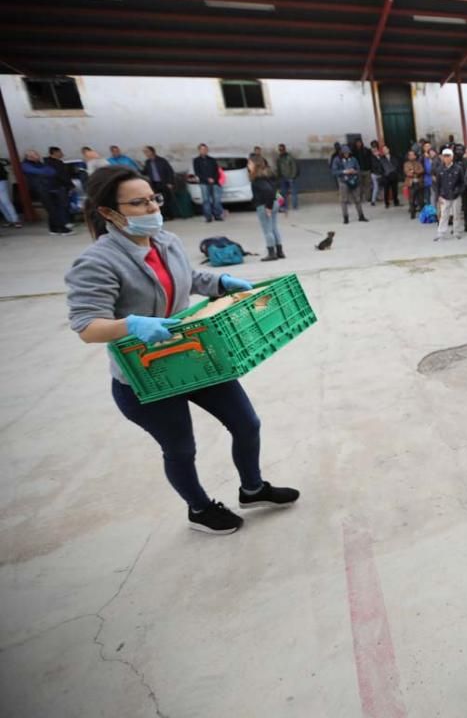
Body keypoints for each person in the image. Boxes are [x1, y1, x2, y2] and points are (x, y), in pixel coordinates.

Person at [64, 166, 300, 535]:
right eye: (138, 203)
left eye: (153, 199)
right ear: (110, 213)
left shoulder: (166, 241)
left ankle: (252, 489)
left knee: (246, 423)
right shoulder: (97, 262)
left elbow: (190, 278)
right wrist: (132, 325)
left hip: (192, 355)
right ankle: (200, 509)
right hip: (146, 374)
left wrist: (221, 281)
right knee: (181, 448)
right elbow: (86, 325)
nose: (151, 208)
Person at [22, 150, 72, 236]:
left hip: (51, 188)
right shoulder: (25, 165)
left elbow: (52, 171)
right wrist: (44, 171)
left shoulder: (41, 163)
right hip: (41, 189)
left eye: (37, 153)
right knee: (52, 209)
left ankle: (53, 228)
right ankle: (62, 228)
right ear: (29, 157)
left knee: (56, 207)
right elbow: (41, 172)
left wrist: (45, 171)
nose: (38, 155)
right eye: (35, 154)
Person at [249, 157, 283, 261]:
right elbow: (275, 189)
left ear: (256, 165)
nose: (248, 166)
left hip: (264, 204)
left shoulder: (258, 178)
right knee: (274, 228)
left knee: (267, 230)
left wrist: (268, 207)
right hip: (274, 202)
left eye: (249, 163)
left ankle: (271, 253)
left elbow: (268, 191)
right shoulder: (268, 175)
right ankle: (280, 251)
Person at [433, 148, 465, 241]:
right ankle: (441, 233)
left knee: (456, 214)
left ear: (452, 157)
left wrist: (458, 191)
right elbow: (437, 184)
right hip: (444, 195)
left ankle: (456, 232)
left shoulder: (458, 168)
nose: (446, 158)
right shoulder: (440, 169)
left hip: (456, 195)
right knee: (444, 215)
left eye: (448, 156)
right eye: (445, 156)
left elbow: (462, 182)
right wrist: (438, 195)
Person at [46, 147, 80, 231]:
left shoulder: (58, 162)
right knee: (62, 205)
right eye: (60, 152)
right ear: (55, 152)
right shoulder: (52, 163)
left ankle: (66, 221)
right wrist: (70, 185)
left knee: (65, 204)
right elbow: (62, 176)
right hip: (58, 187)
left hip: (61, 187)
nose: (62, 153)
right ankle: (64, 222)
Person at [141, 146, 178, 221]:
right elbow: (145, 172)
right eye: (144, 152)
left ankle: (170, 215)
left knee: (166, 199)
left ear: (152, 151)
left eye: (147, 151)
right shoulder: (147, 162)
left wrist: (170, 182)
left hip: (164, 182)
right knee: (158, 200)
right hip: (154, 183)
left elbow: (169, 171)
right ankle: (163, 216)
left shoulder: (162, 160)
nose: (146, 153)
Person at [332, 145, 366, 224]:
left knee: (357, 199)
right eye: (345, 153)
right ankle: (345, 217)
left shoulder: (353, 159)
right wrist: (344, 171)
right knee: (344, 200)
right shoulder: (337, 160)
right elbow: (334, 171)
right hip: (343, 181)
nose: (347, 154)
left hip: (354, 180)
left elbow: (358, 168)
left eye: (348, 153)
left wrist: (355, 171)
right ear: (342, 153)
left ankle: (361, 216)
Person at [193, 143, 223, 223]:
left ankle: (217, 215)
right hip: (203, 183)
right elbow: (197, 173)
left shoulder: (212, 160)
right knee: (206, 200)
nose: (204, 151)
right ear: (199, 150)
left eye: (205, 149)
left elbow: (217, 171)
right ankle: (208, 216)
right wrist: (207, 179)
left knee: (216, 200)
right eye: (202, 149)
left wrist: (213, 179)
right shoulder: (196, 161)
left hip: (214, 182)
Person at [276, 143, 300, 212]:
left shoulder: (289, 157)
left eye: (282, 149)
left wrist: (292, 177)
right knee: (283, 193)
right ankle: (283, 206)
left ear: (285, 149)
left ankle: (295, 206)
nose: (281, 151)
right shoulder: (279, 158)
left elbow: (294, 167)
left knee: (293, 193)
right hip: (283, 178)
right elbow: (278, 168)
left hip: (290, 177)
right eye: (280, 149)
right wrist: (278, 177)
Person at [375, 145, 401, 209]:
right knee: (386, 190)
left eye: (386, 149)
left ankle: (396, 202)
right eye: (383, 150)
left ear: (388, 150)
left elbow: (397, 164)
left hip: (393, 175)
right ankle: (387, 203)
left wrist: (395, 172)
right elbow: (380, 168)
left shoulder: (393, 157)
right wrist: (383, 173)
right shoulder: (382, 158)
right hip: (386, 176)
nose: (385, 151)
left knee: (395, 189)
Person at [0, 158, 20, 227]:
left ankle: (15, 220)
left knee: (5, 201)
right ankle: (10, 220)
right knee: (1, 204)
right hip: (2, 181)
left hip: (1, 182)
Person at [403, 150, 423, 219]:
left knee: (420, 199)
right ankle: (412, 213)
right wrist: (414, 173)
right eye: (410, 155)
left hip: (418, 182)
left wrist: (414, 171)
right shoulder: (406, 164)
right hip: (411, 183)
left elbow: (421, 170)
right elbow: (407, 173)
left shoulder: (418, 163)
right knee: (411, 199)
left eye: (413, 155)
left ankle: (422, 213)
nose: (412, 156)